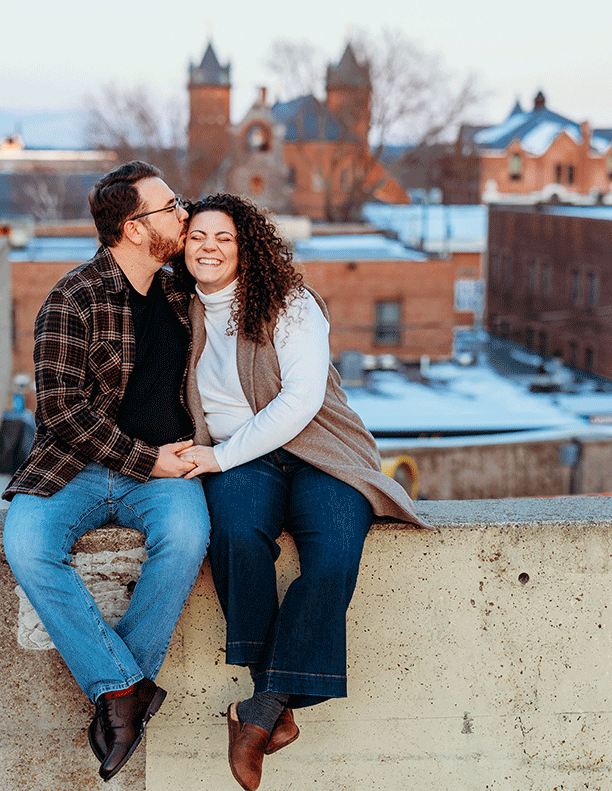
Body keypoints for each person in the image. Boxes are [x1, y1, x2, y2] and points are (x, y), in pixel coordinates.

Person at [174, 194, 429, 791]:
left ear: (247, 247)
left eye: (224, 238)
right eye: (197, 236)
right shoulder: (178, 312)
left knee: (338, 547)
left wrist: (218, 456)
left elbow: (301, 401)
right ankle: (271, 705)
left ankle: (261, 706)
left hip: (318, 450)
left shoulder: (288, 304)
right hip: (243, 458)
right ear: (182, 245)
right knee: (236, 532)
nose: (208, 247)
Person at [2, 161, 210, 781]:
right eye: (170, 207)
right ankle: (125, 690)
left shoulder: (181, 294)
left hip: (168, 470)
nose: (184, 215)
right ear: (131, 226)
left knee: (188, 540)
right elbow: (62, 412)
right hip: (82, 467)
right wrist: (147, 460)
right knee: (28, 543)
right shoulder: (73, 299)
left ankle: (118, 693)